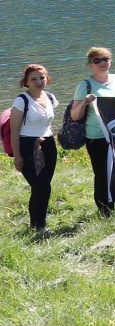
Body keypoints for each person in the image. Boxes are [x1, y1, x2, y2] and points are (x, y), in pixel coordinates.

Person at [71, 47, 115, 216]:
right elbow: (74, 115)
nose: (102, 63)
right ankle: (105, 212)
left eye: (105, 59)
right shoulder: (85, 85)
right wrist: (84, 103)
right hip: (97, 137)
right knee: (102, 175)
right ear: (90, 64)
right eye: (97, 60)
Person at [11, 64, 58, 234]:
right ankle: (39, 227)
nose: (39, 81)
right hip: (29, 146)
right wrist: (17, 156)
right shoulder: (21, 101)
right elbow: (14, 131)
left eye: (42, 77)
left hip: (49, 144)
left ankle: (37, 224)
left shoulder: (51, 97)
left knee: (43, 186)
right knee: (42, 187)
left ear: (47, 78)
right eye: (34, 79)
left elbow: (47, 123)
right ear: (26, 82)